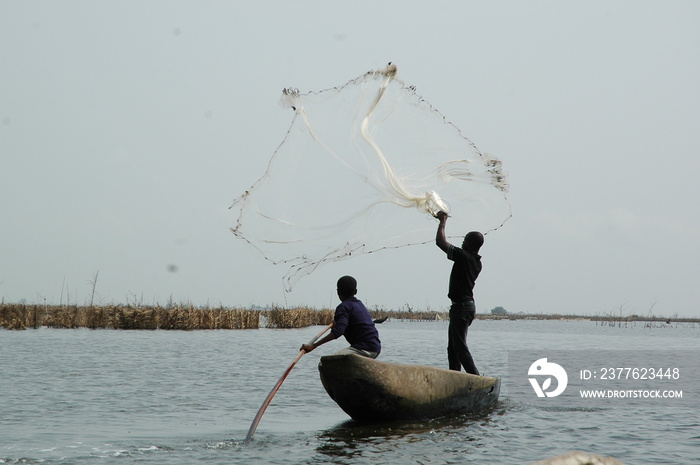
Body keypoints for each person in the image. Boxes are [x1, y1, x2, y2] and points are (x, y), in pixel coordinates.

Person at [435, 211, 483, 375]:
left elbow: (441, 242)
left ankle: (475, 379)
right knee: (453, 347)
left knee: (459, 346)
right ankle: (455, 377)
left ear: (470, 244)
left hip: (462, 308)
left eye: (465, 241)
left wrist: (442, 222)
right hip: (463, 307)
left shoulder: (464, 257)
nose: (462, 243)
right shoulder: (476, 262)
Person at [300, 276, 381, 358]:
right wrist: (337, 324)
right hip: (376, 348)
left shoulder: (344, 307)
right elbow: (348, 324)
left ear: (338, 292)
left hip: (363, 348)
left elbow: (338, 332)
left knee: (327, 362)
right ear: (355, 291)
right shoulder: (359, 305)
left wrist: (314, 346)